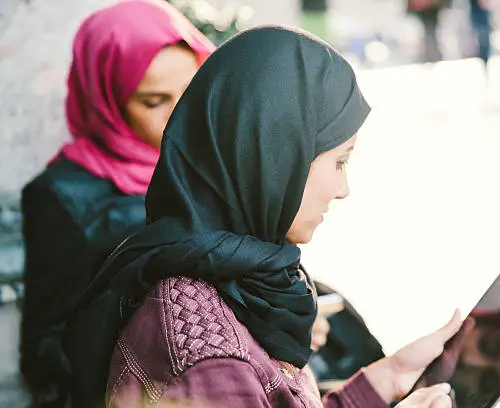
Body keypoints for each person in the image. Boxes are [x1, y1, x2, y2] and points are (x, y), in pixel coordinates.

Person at [63, 26, 466, 408]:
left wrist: (390, 376)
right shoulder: (209, 358)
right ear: (275, 158)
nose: (343, 188)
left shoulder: (229, 277)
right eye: (340, 161)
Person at [19, 1, 214, 407]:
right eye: (154, 100)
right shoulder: (62, 198)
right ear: (106, 99)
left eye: (192, 92)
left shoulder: (210, 167)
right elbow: (48, 347)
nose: (182, 116)